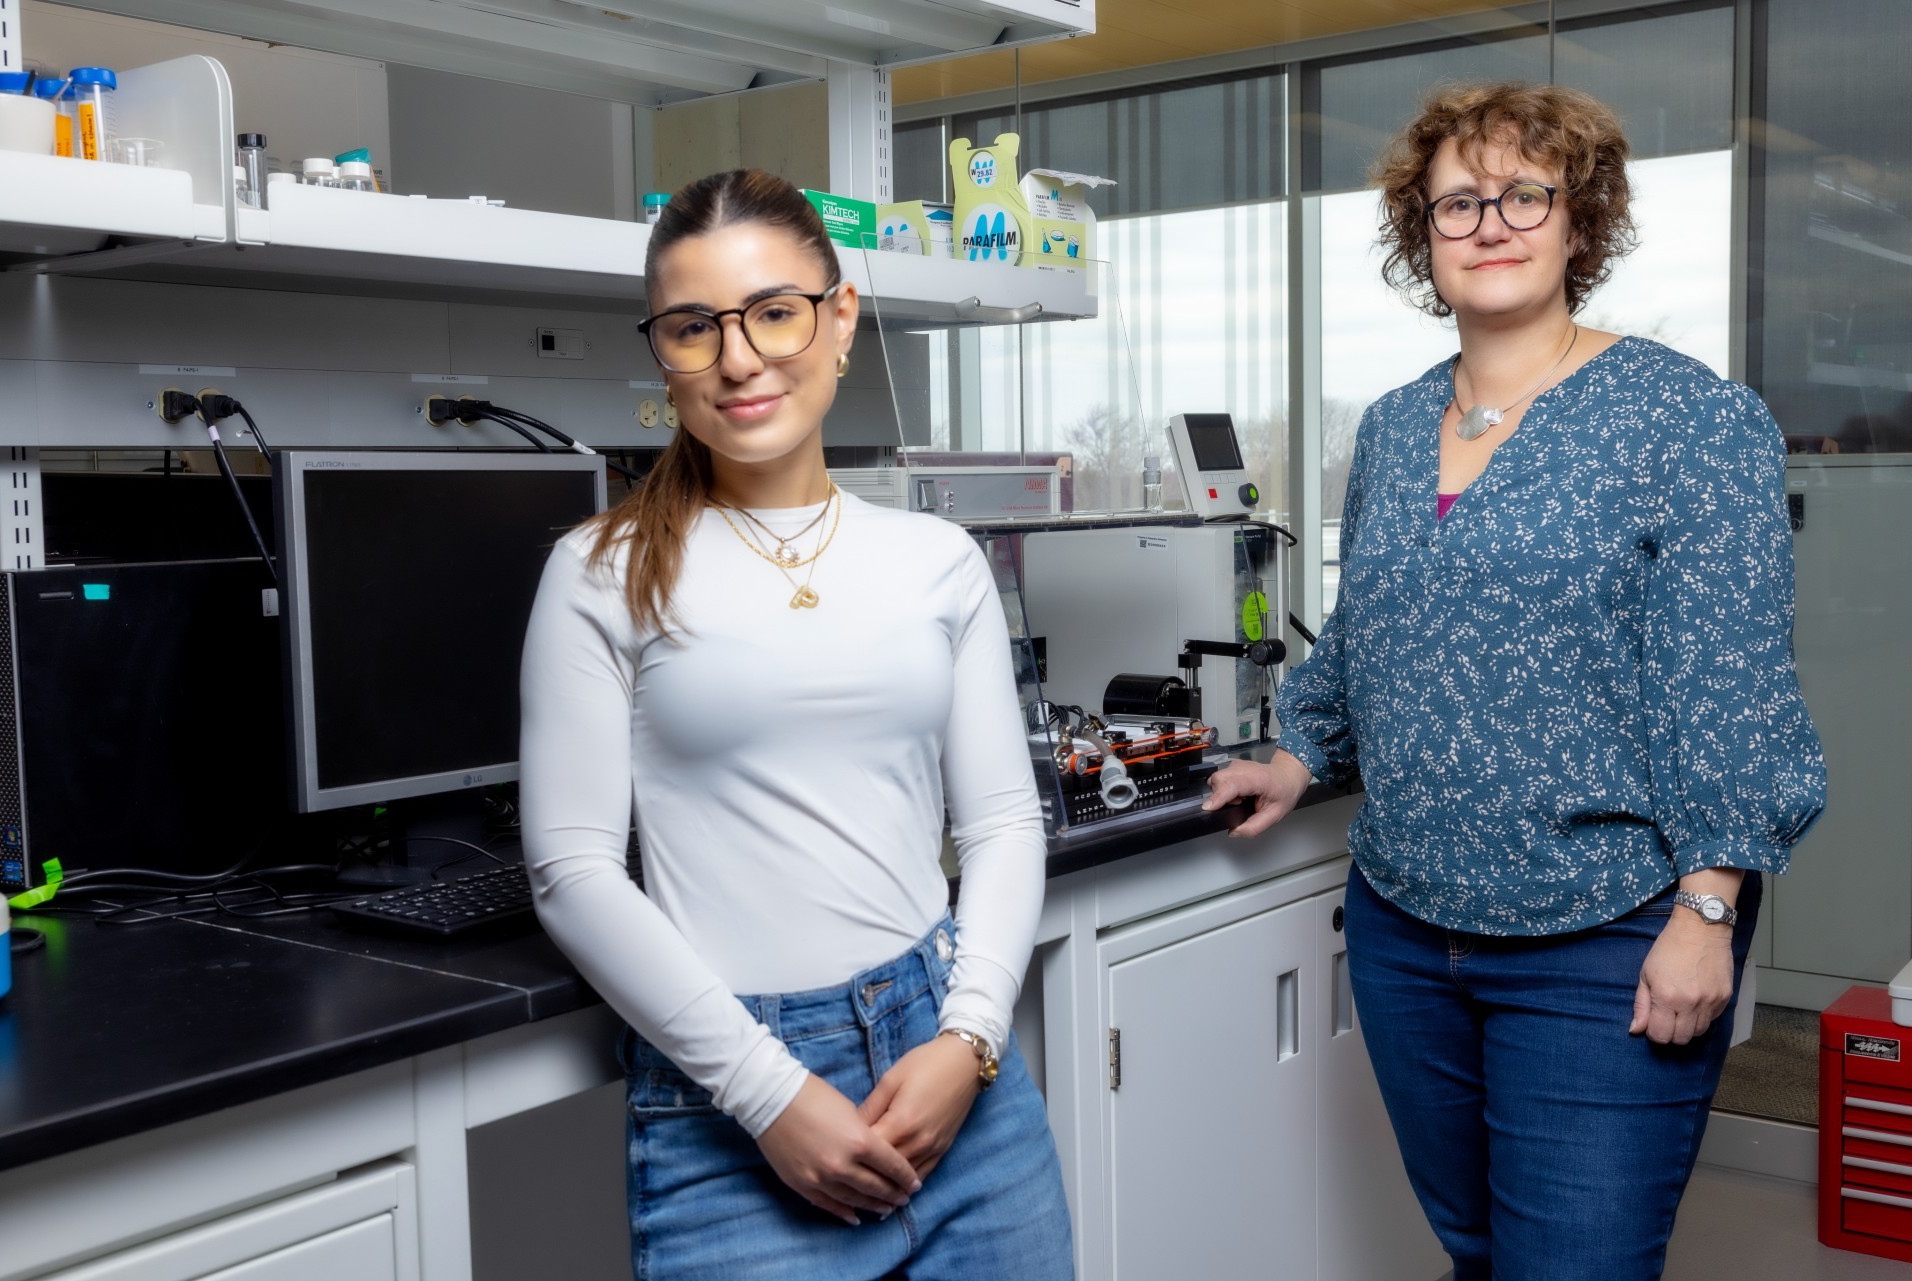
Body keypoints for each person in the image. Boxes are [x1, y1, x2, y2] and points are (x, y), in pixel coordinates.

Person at [1205, 83, 1825, 1280]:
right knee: (1478, 1250)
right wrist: (1297, 754)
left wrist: (1708, 910)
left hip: (1606, 931)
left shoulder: (1687, 419)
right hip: (1403, 927)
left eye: (1524, 195)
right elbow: (1369, 631)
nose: (1490, 222)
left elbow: (1734, 684)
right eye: (1457, 203)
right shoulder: (1389, 427)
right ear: (1421, 237)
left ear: (1579, 223)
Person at [518, 168, 1073, 1280]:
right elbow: (571, 870)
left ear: (840, 318)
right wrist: (771, 1095)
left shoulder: (934, 559)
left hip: (954, 1068)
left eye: (773, 311)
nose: (738, 358)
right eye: (692, 328)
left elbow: (1006, 822)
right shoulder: (600, 571)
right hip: (730, 1106)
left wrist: (969, 1039)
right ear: (660, 352)